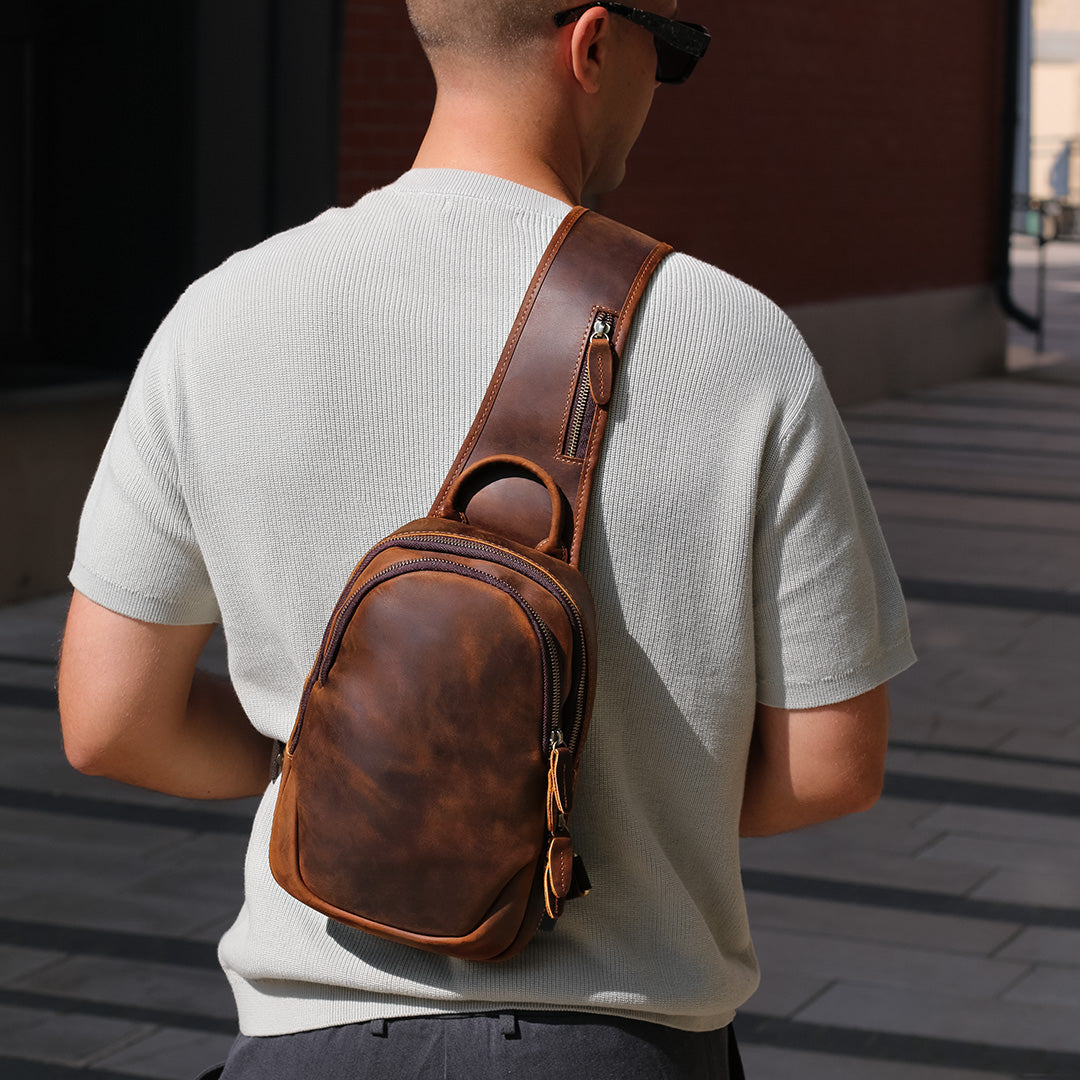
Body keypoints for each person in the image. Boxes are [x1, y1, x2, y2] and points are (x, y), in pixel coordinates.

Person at [57, 2, 916, 1077]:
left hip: (310, 1045)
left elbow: (109, 723)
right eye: (676, 53)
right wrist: (597, 816)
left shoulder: (220, 315)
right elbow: (831, 766)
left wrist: (353, 766)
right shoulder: (738, 341)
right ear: (594, 43)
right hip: (624, 1045)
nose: (663, 88)